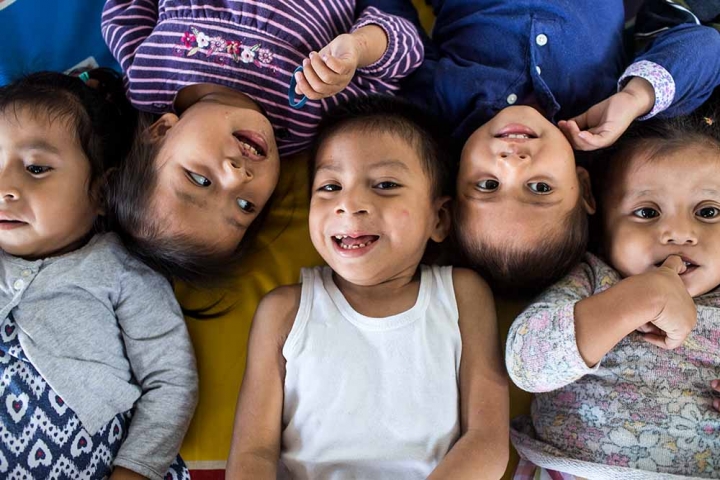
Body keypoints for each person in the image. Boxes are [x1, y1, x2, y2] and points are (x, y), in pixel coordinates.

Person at [225, 96, 509, 479]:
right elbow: (252, 453)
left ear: (438, 219)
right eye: (329, 187)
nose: (350, 203)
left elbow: (488, 442)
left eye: (386, 184)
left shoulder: (461, 296)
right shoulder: (285, 311)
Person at [393, 0, 720, 295]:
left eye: (488, 185)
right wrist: (635, 97)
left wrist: (362, 45)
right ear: (585, 188)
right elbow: (706, 47)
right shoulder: (606, 118)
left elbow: (395, 39)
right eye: (540, 187)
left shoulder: (440, 108)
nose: (512, 161)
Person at [100, 0, 424, 285]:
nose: (238, 177)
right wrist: (357, 49)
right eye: (245, 206)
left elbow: (122, 11)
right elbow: (407, 48)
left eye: (200, 179)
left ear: (159, 132)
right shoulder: (309, 115)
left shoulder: (147, 73)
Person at [0, 70, 198, 480]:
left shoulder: (122, 270)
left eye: (36, 168)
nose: (5, 187)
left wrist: (136, 469)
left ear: (102, 192)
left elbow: (170, 380)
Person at [505, 108, 720, 478]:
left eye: (708, 211)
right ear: (604, 225)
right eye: (647, 212)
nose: (680, 233)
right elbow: (526, 363)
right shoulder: (592, 280)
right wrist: (639, 299)